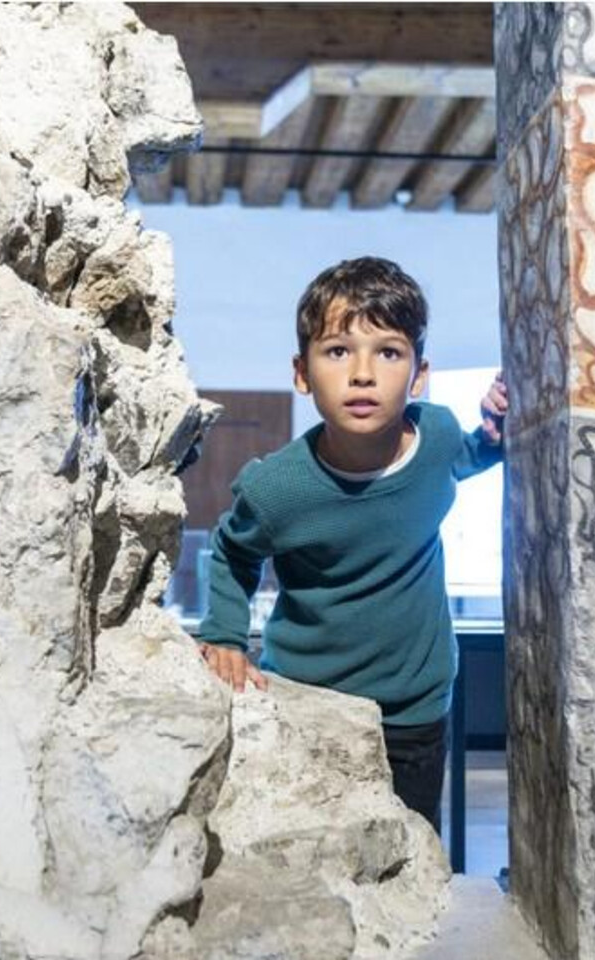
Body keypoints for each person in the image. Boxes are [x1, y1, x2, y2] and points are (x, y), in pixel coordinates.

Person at [196, 256, 508, 832]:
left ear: (418, 376)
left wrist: (497, 435)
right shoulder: (275, 487)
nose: (362, 373)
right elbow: (233, 552)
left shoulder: (436, 435)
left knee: (408, 866)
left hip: (416, 711)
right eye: (338, 351)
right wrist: (223, 634)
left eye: (387, 352)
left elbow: (466, 458)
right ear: (302, 372)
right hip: (308, 706)